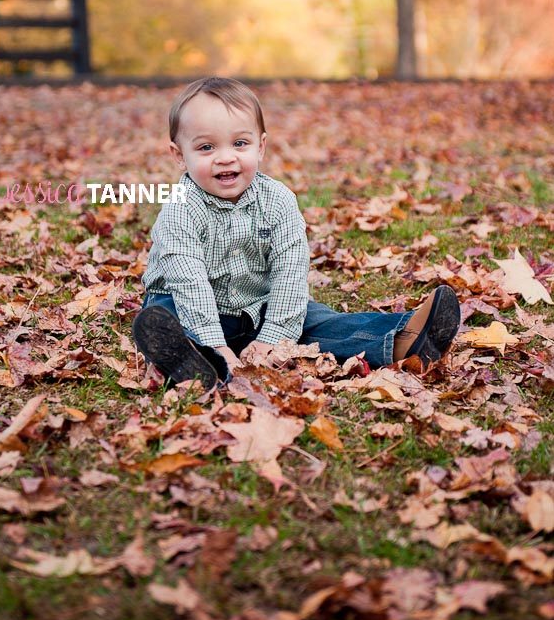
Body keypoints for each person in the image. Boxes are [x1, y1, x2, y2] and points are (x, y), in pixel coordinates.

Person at [133, 77, 460, 389]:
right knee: (163, 317)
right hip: (187, 303)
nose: (225, 157)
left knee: (318, 320)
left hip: (257, 306)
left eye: (240, 143)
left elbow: (289, 273)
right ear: (179, 155)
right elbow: (189, 283)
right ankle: (198, 361)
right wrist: (217, 343)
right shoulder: (179, 209)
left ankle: (403, 337)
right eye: (206, 148)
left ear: (260, 147)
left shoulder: (278, 201)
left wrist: (273, 335)